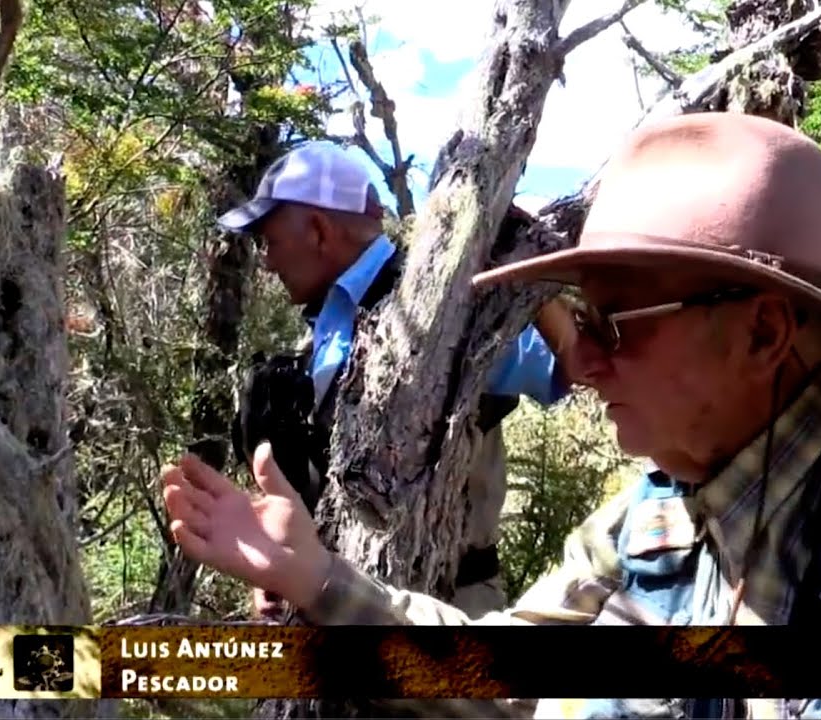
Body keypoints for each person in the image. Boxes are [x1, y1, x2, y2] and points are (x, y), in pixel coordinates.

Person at [161, 114, 821, 718]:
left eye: (615, 322)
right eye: (580, 318)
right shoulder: (659, 510)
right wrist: (318, 576)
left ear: (762, 332)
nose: (583, 356)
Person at [215, 140, 576, 617]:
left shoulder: (449, 305)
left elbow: (570, 368)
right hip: (330, 599)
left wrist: (530, 269)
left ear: (320, 231)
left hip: (440, 610)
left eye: (270, 241)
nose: (267, 261)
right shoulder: (326, 321)